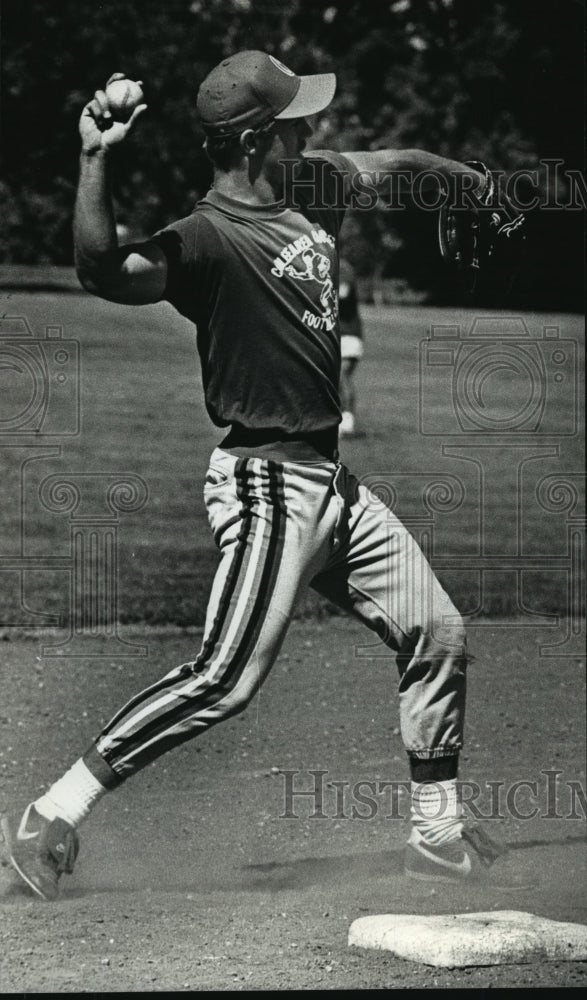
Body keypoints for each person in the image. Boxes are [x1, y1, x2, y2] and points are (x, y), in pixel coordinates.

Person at [3, 52, 505, 901]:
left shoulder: (314, 190)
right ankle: (53, 812)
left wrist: (471, 187)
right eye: (297, 120)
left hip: (332, 487)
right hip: (267, 484)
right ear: (255, 139)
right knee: (223, 679)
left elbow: (400, 165)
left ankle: (436, 834)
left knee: (438, 632)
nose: (314, 130)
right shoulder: (205, 242)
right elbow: (102, 271)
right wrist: (95, 156)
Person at [337, 256, 364, 436]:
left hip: (349, 333)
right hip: (332, 333)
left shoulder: (342, 267)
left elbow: (343, 293)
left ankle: (347, 421)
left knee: (342, 375)